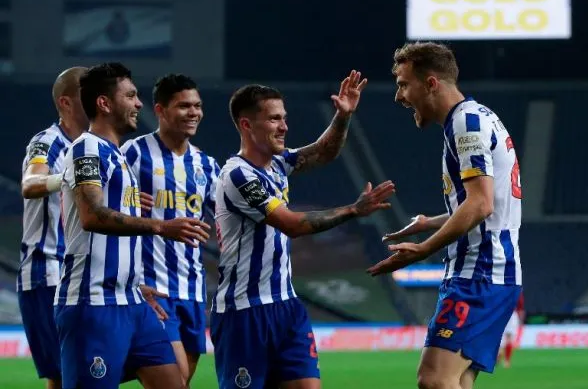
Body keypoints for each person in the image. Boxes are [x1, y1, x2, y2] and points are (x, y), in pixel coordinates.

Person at [211, 72, 395, 389]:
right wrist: (354, 209)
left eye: (284, 118)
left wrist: (343, 116)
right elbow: (291, 225)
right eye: (273, 119)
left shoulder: (279, 163)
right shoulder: (238, 176)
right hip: (245, 312)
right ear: (246, 125)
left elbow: (323, 151)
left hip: (287, 306)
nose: (284, 126)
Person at [368, 42, 523, 389]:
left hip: (480, 274)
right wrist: (428, 222)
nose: (399, 97)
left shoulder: (465, 125)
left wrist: (423, 248)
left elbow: (481, 205)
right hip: (486, 273)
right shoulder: (479, 117)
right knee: (456, 381)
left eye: (403, 84)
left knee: (434, 379)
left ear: (431, 83)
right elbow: (488, 205)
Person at [55, 62, 210, 389]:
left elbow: (121, 238)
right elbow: (92, 215)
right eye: (131, 95)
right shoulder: (87, 150)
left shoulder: (119, 156)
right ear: (105, 103)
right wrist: (160, 226)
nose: (139, 104)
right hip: (93, 304)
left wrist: (136, 283)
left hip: (134, 302)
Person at [121, 73, 220, 387]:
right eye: (183, 106)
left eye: (197, 105)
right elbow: (102, 206)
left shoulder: (207, 165)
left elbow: (227, 218)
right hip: (151, 286)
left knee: (182, 381)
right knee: (173, 379)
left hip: (192, 289)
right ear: (160, 110)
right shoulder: (133, 154)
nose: (193, 112)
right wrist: (127, 199)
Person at [18, 67, 89, 389]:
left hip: (82, 274)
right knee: (64, 376)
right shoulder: (47, 143)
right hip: (46, 272)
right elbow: (31, 183)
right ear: (66, 102)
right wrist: (68, 179)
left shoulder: (95, 148)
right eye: (89, 95)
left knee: (87, 369)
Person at [497, 292, 524, 368]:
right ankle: (506, 361)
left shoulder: (501, 287)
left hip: (501, 313)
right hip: (511, 314)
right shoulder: (517, 290)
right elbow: (520, 307)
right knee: (508, 338)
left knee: (501, 338)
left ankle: (499, 356)